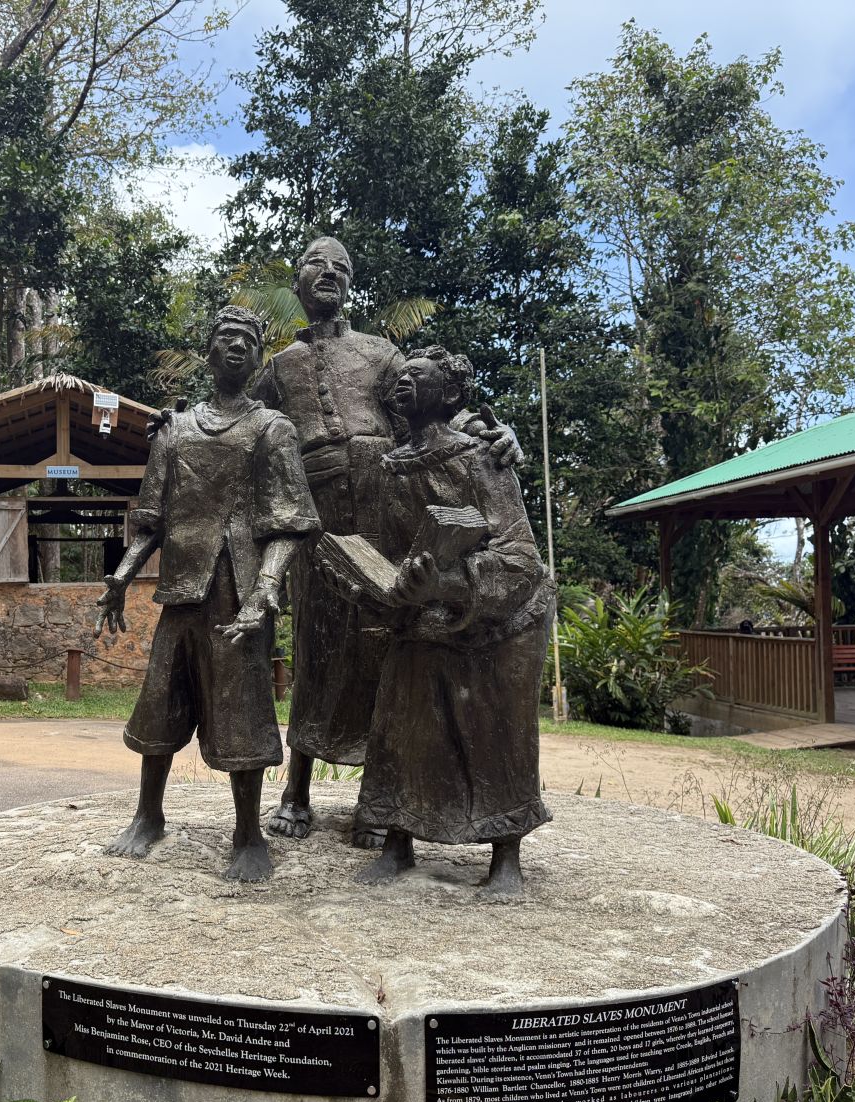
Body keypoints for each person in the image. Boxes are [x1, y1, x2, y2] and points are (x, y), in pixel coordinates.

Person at [250, 236, 523, 844]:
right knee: (316, 647)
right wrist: (172, 425)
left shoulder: (379, 352)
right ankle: (297, 791)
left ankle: (381, 796)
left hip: (382, 504)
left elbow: (436, 408)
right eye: (317, 264)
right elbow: (246, 426)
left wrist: (498, 434)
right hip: (314, 515)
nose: (330, 272)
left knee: (381, 647)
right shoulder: (279, 367)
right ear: (297, 282)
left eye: (342, 266)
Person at [93, 306, 320, 883]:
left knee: (243, 708)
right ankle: (148, 814)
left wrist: (266, 590)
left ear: (258, 355)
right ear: (209, 350)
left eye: (248, 339)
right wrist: (121, 577)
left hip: (239, 592)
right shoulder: (173, 431)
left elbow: (291, 522)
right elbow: (150, 519)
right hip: (181, 590)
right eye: (226, 338)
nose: (237, 346)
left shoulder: (273, 429)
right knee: (160, 702)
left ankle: (247, 834)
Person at [341, 347, 553, 895]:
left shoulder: (480, 457)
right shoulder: (390, 465)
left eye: (420, 375)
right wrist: (373, 582)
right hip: (423, 613)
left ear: (451, 393)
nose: (404, 382)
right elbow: (386, 552)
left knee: (495, 731)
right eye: (401, 376)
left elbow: (521, 558)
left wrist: (451, 584)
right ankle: (398, 840)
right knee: (401, 716)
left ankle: (506, 854)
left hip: (496, 621)